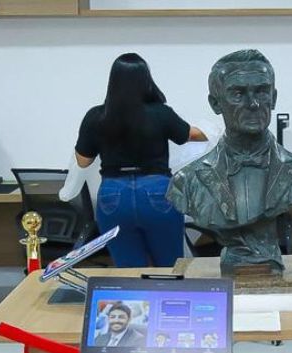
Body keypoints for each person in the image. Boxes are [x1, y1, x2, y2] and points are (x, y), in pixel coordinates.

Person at [168, 49, 292, 274]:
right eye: (237, 93)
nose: (253, 103)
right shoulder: (187, 182)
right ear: (215, 103)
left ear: (273, 98)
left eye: (262, 92)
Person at [75, 53, 208, 268]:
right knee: (169, 267)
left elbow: (82, 162)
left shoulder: (96, 116)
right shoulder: (160, 113)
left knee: (128, 272)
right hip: (157, 191)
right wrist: (216, 131)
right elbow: (190, 135)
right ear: (146, 80)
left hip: (113, 196)